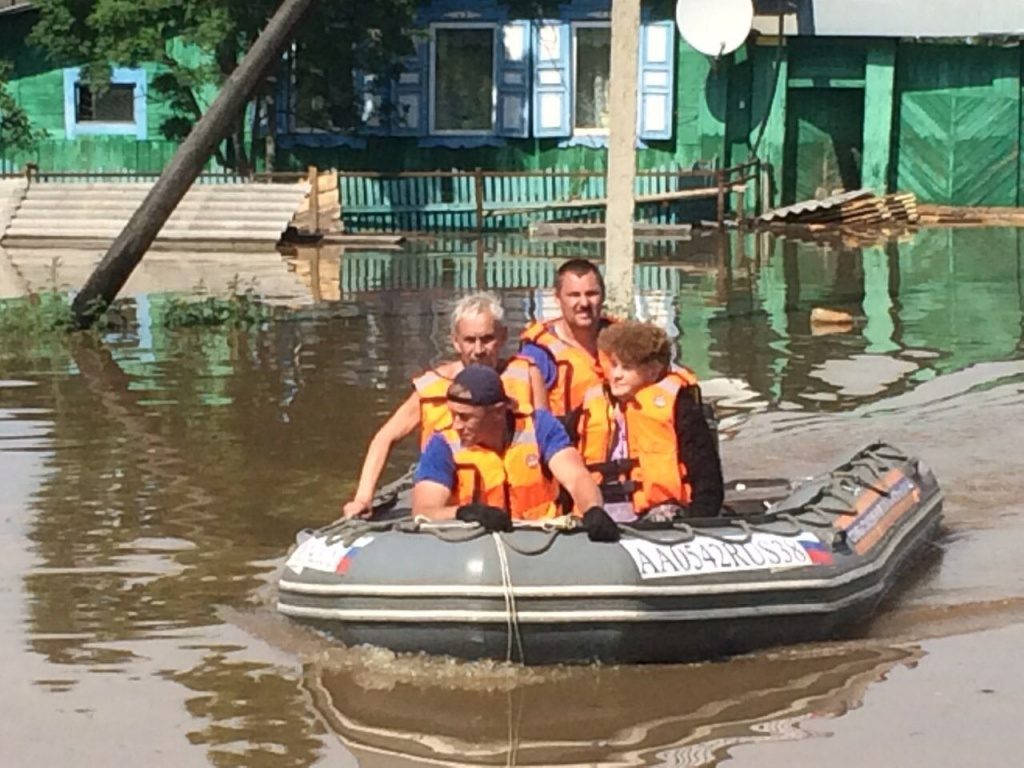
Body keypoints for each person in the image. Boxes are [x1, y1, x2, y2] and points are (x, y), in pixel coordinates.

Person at [342, 292, 548, 518]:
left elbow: (546, 439)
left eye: (487, 339)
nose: (479, 350)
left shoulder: (526, 374)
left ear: (503, 337)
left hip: (520, 511)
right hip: (448, 507)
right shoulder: (431, 387)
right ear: (455, 341)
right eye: (470, 340)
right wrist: (363, 498)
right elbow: (385, 438)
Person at [412, 365, 621, 542]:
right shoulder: (442, 444)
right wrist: (464, 513)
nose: (456, 425)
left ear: (497, 412)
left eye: (465, 417)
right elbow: (424, 510)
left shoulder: (540, 426)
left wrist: (593, 509)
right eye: (453, 415)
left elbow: (576, 477)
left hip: (543, 540)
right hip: (477, 543)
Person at [578, 320, 723, 521]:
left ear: (653, 371)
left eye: (627, 367)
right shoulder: (592, 405)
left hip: (661, 517)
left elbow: (706, 474)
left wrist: (700, 521)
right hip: (601, 518)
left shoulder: (679, 407)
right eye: (613, 365)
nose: (616, 375)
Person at [519, 259, 615, 418]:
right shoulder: (539, 354)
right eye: (574, 295)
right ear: (557, 299)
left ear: (603, 296)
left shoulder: (624, 340)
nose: (584, 303)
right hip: (566, 440)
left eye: (592, 294)